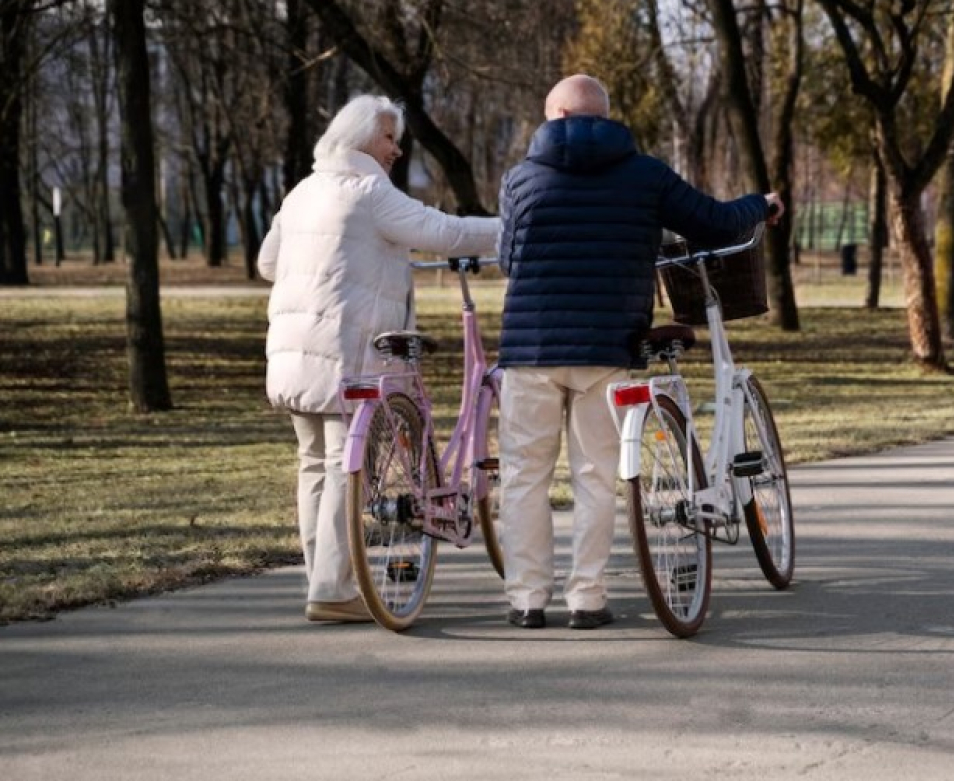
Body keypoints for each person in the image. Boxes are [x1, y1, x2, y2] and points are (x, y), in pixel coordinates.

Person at [496, 74, 783, 630]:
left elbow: (509, 259)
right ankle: (587, 599)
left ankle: (527, 600)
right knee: (596, 477)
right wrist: (759, 204)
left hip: (530, 348)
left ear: (553, 115)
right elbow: (714, 221)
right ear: (604, 117)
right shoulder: (645, 174)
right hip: (608, 345)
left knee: (523, 477)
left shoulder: (520, 179)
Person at [258, 94, 500, 624]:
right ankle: (331, 587)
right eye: (389, 137)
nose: (396, 149)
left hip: (293, 355)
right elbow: (446, 232)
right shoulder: (370, 193)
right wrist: (511, 228)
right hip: (350, 356)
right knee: (348, 470)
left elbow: (267, 262)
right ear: (360, 137)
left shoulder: (302, 192)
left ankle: (328, 581)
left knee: (315, 466)